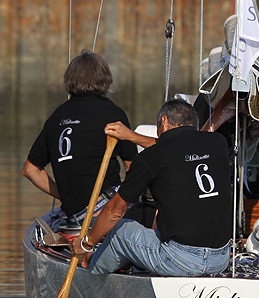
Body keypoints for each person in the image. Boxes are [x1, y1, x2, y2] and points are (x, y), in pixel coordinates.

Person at [71, 98, 232, 276]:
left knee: (119, 230)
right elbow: (175, 149)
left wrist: (86, 244)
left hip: (181, 261)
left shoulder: (150, 157)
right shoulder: (218, 143)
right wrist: (131, 136)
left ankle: (90, 275)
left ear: (164, 120)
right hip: (220, 259)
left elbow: (114, 211)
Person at [22, 50, 138, 229]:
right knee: (152, 206)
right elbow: (132, 168)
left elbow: (30, 170)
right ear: (105, 79)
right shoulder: (112, 113)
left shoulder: (55, 118)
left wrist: (66, 197)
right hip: (104, 210)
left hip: (75, 215)